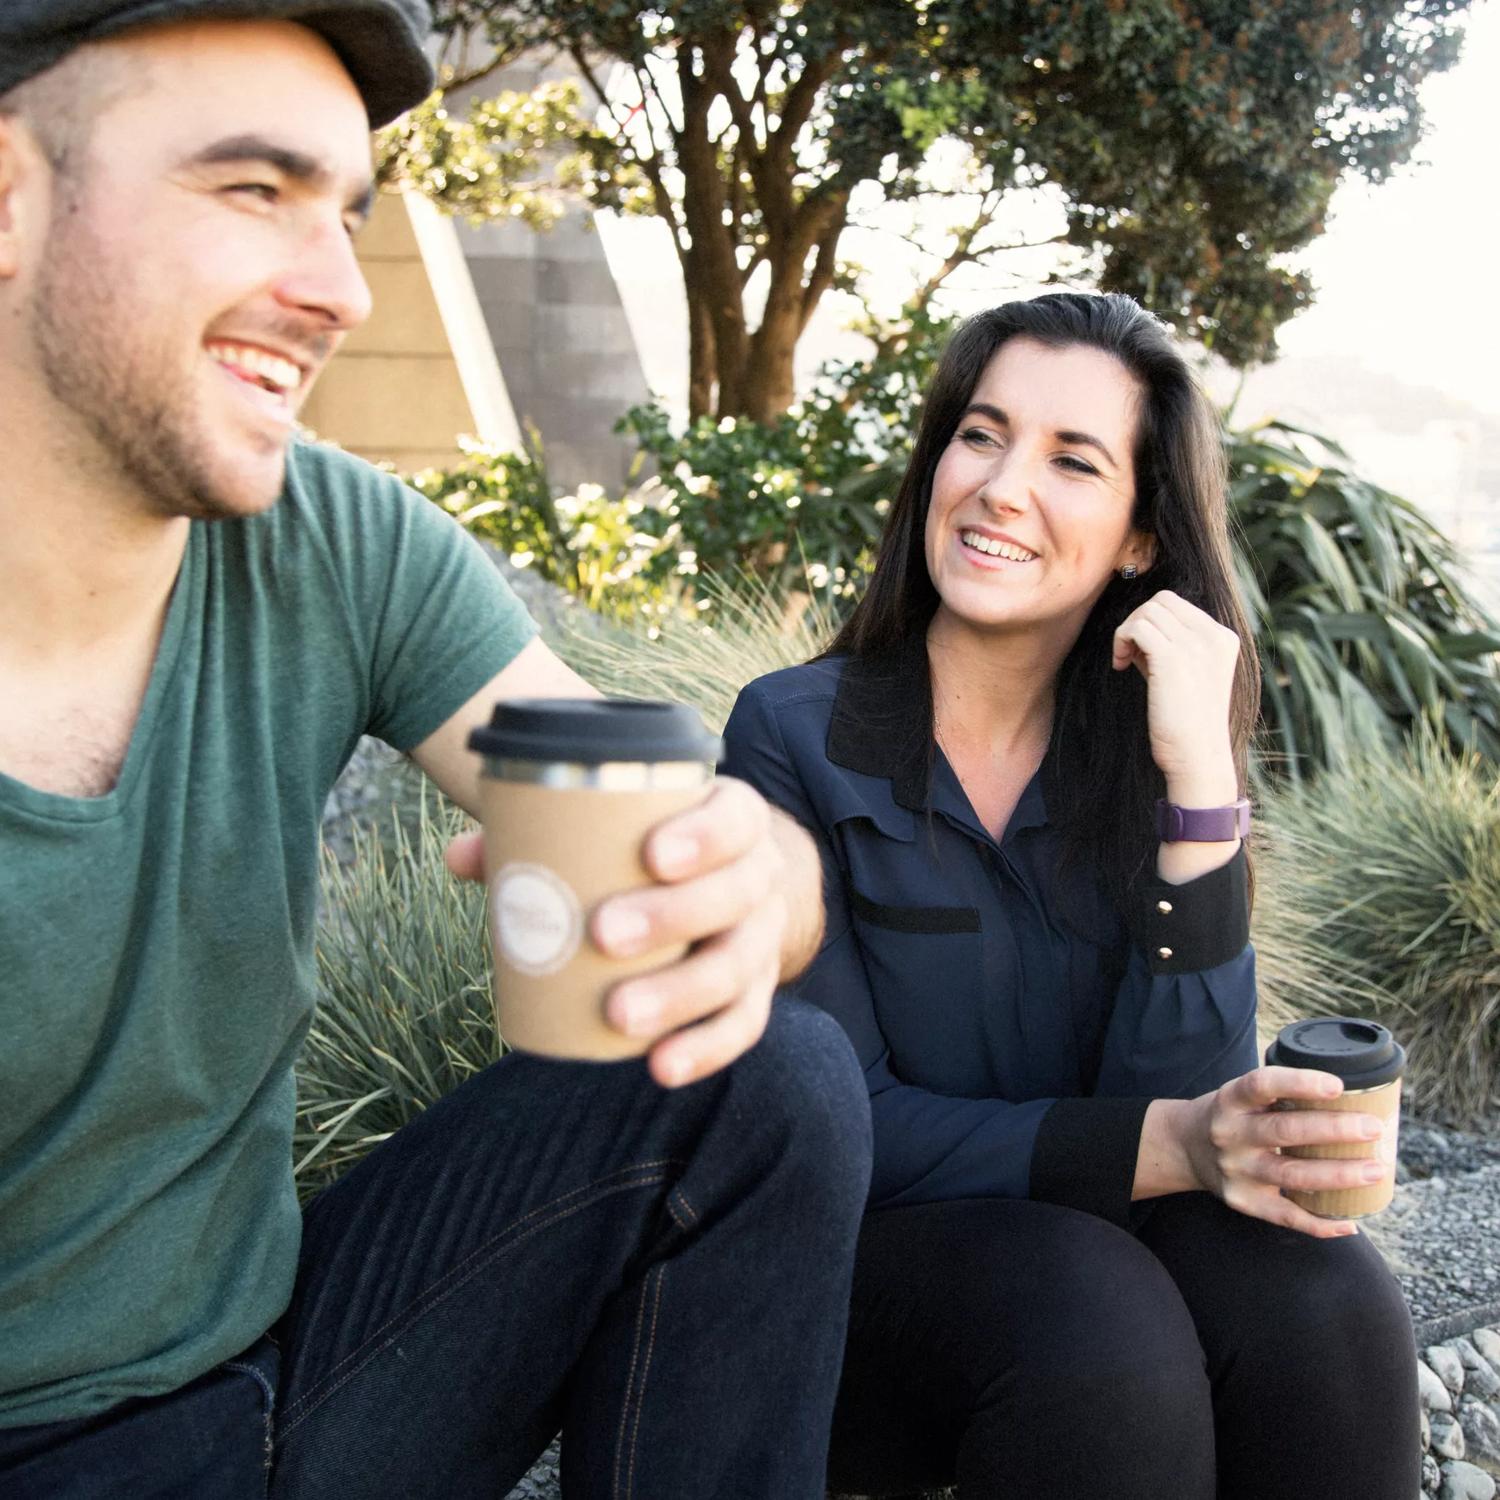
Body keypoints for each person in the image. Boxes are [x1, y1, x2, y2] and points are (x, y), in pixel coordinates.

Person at [0, 5, 872, 1497]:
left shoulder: (327, 539)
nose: (339, 288)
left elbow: (652, 803)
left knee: (760, 1079)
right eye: (254, 191)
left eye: (347, 212)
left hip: (269, 1381)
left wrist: (759, 877)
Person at [722, 292, 1419, 1499]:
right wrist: (1174, 1144)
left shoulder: (1151, 752)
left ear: (1139, 538)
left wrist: (1199, 777)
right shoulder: (790, 736)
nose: (1001, 486)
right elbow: (837, 1126)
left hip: (1091, 1261)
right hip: (851, 1296)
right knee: (1095, 1314)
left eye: (1071, 460)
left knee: (1329, 1293)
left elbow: (1185, 1096)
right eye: (981, 435)